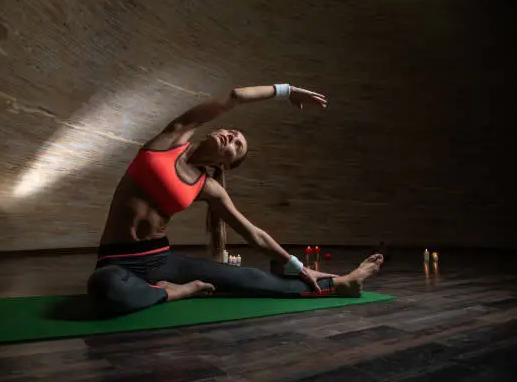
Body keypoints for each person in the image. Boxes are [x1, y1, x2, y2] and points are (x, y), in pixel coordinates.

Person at [87, 84, 384, 316]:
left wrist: (295, 263)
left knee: (248, 278)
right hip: (117, 260)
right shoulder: (171, 139)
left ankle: (341, 283)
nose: (232, 137)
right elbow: (235, 96)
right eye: (231, 133)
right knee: (104, 286)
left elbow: (254, 234)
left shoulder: (210, 188)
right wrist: (287, 90)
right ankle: (173, 292)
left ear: (227, 164)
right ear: (214, 130)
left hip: (161, 261)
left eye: (238, 145)